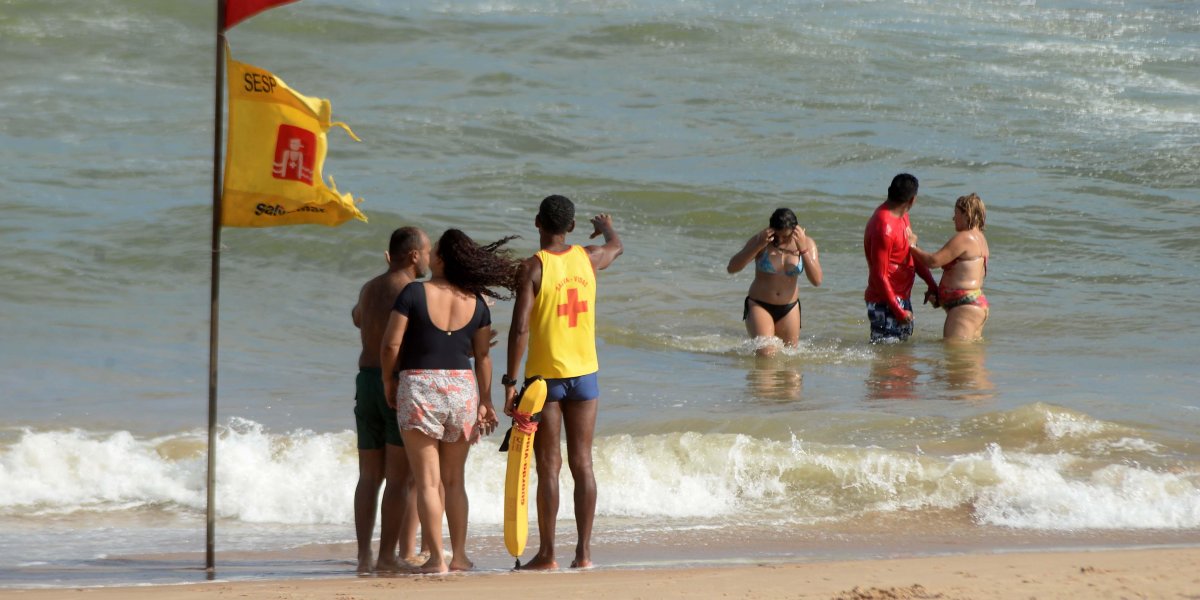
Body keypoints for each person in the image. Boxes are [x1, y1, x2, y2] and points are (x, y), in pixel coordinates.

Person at [380, 228, 512, 573]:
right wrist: (486, 400)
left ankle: (435, 559)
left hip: (420, 385)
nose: (431, 255)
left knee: (427, 481)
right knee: (454, 481)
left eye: (435, 250)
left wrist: (387, 380)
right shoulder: (477, 302)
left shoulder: (413, 292)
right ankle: (459, 556)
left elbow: (391, 345)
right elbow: (483, 356)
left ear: (441, 259)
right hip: (462, 389)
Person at [503, 194, 623, 570]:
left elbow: (520, 326)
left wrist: (509, 380)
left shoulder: (533, 268)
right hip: (585, 375)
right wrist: (606, 227)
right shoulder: (588, 258)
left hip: (546, 380)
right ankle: (584, 554)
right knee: (583, 463)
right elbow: (616, 248)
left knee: (549, 466)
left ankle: (548, 554)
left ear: (537, 222)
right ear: (570, 227)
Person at [350, 226, 428, 573]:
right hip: (394, 385)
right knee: (401, 478)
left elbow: (357, 318)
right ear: (413, 255)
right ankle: (387, 557)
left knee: (369, 476)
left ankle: (364, 556)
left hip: (365, 382)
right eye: (426, 251)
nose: (428, 257)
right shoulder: (412, 292)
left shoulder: (369, 288)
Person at [727, 208, 823, 356]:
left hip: (789, 308)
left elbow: (817, 280)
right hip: (760, 305)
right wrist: (758, 245)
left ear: (796, 230)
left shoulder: (807, 244)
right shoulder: (761, 240)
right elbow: (732, 268)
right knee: (766, 355)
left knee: (791, 366)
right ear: (771, 230)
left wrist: (803, 249)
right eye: (777, 237)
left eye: (786, 237)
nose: (781, 241)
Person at [863, 173, 937, 342]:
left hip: (902, 298)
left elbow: (911, 252)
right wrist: (898, 310)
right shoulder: (884, 227)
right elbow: (879, 275)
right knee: (887, 361)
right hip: (884, 302)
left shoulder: (903, 216)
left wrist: (932, 284)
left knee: (901, 360)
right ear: (912, 200)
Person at [907, 192, 990, 341]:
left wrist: (911, 246)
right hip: (974, 305)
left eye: (956, 213)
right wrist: (940, 297)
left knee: (955, 360)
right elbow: (962, 275)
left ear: (967, 214)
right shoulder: (980, 239)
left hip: (965, 308)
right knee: (968, 362)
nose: (953, 218)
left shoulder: (965, 237)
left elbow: (933, 261)